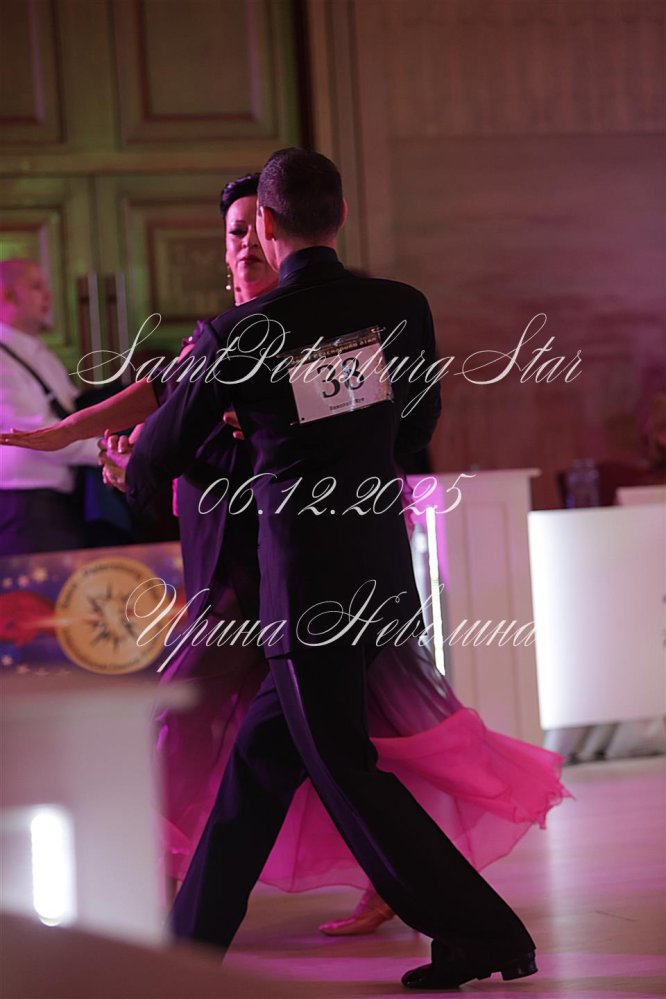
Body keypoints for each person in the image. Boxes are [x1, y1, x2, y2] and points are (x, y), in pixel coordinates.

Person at [1, 175, 567, 949]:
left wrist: (136, 466)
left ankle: (483, 933)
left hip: (296, 583)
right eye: (229, 232)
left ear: (269, 225)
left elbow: (159, 449)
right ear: (341, 214)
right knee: (259, 770)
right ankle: (195, 939)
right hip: (355, 571)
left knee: (336, 765)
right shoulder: (391, 307)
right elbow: (410, 428)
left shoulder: (244, 333)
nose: (242, 243)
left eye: (249, 227)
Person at [0, 259, 103, 555]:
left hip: (59, 503)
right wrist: (110, 452)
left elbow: (75, 419)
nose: (48, 295)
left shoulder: (39, 353)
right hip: (25, 506)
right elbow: (37, 434)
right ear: (7, 295)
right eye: (35, 286)